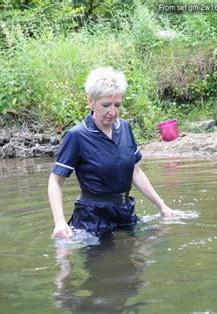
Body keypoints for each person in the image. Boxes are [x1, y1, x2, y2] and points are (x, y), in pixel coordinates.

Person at [48, 67, 179, 238]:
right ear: (91, 101)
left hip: (125, 212)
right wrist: (59, 222)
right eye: (106, 105)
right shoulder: (77, 136)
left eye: (117, 105)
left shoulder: (124, 127)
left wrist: (162, 207)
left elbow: (135, 171)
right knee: (104, 263)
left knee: (136, 262)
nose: (113, 112)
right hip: (93, 218)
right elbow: (56, 180)